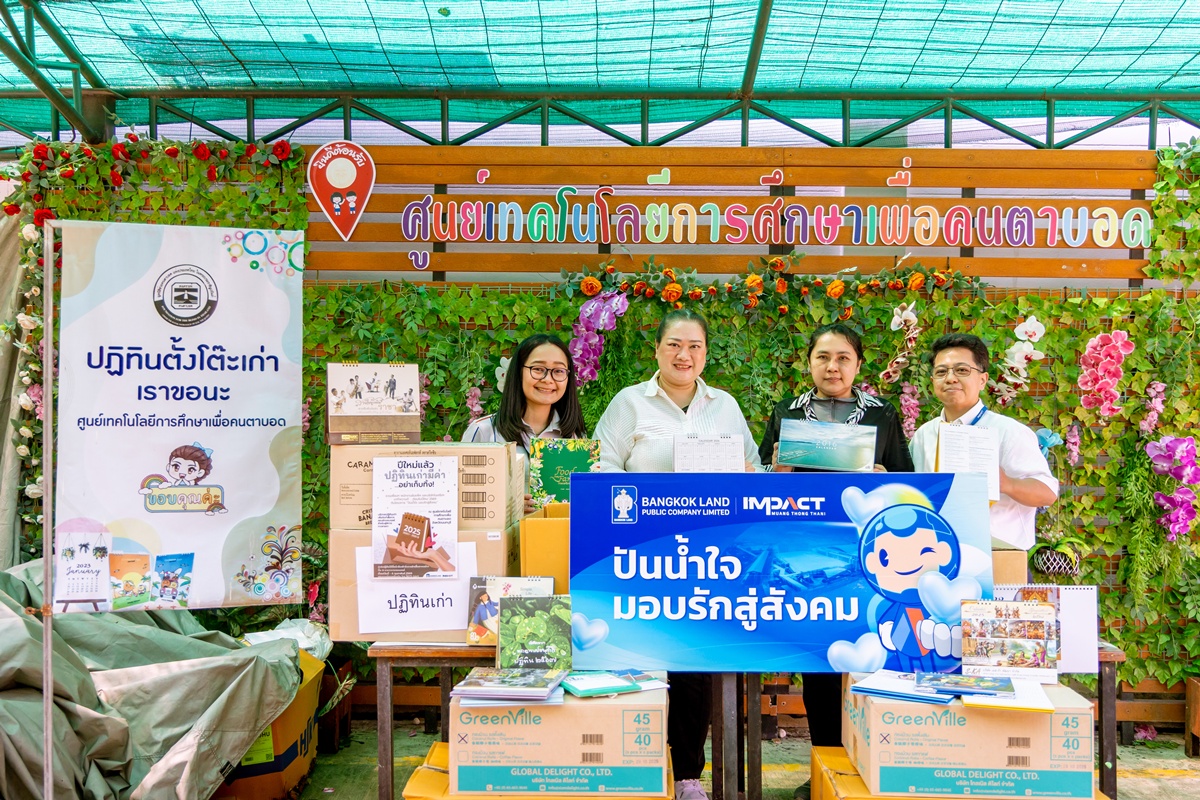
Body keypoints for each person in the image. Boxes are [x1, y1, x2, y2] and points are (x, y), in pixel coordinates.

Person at [594, 307, 761, 800]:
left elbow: (753, 469)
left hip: (709, 558)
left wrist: (740, 476)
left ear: (705, 353)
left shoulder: (724, 406)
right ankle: (636, 771)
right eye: (674, 344)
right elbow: (601, 468)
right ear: (657, 350)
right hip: (640, 553)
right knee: (639, 657)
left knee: (693, 665)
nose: (683, 355)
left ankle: (687, 775)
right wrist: (648, 503)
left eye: (694, 346)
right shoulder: (629, 403)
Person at [756, 322, 913, 800]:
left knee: (874, 658)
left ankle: (873, 768)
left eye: (843, 357)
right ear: (809, 362)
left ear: (858, 364)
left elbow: (908, 482)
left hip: (870, 554)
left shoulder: (882, 415)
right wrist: (776, 469)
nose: (832, 366)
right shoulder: (787, 412)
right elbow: (759, 479)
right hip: (807, 553)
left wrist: (885, 476)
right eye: (823, 357)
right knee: (822, 662)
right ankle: (825, 769)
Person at [910, 333, 1058, 550]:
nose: (950, 378)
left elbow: (1047, 493)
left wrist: (1007, 484)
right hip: (937, 553)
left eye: (962, 370)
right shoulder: (924, 435)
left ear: (982, 379)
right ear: (932, 382)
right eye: (941, 372)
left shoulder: (1009, 432)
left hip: (999, 555)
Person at [463, 333, 588, 513]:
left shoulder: (576, 438)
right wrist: (504, 506)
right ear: (518, 372)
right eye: (538, 369)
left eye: (559, 371)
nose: (548, 379)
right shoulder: (483, 431)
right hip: (504, 531)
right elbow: (462, 497)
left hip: (556, 530)